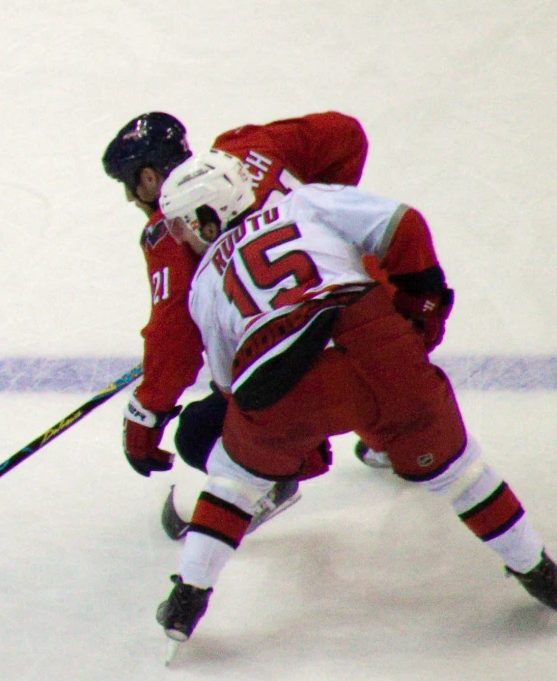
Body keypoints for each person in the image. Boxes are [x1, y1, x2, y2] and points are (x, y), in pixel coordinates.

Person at [150, 151, 557, 644]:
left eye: (181, 226)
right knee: (461, 473)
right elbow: (402, 224)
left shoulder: (203, 286)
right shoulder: (304, 202)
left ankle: (188, 597)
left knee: (232, 482)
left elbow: (228, 387)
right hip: (374, 341)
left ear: (205, 214)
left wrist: (284, 448)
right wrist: (420, 303)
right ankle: (537, 569)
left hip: (278, 379)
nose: (181, 238)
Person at [100, 110, 374, 536]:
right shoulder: (249, 147)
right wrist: (328, 215)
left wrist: (145, 415)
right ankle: (399, 437)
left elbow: (175, 343)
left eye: (129, 183)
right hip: (380, 307)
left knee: (200, 429)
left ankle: (272, 476)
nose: (130, 198)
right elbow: (346, 135)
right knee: (382, 370)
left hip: (303, 349)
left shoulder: (169, 230)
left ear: (151, 178)